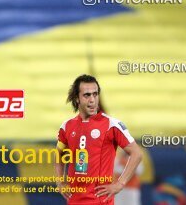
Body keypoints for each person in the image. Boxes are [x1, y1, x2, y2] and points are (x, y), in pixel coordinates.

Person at [54, 74, 143, 205]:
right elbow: (59, 155)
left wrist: (120, 184)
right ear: (76, 98)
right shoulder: (66, 126)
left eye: (95, 94)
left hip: (100, 201)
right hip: (74, 200)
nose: (92, 100)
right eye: (87, 95)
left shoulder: (111, 125)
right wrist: (59, 181)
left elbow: (137, 153)